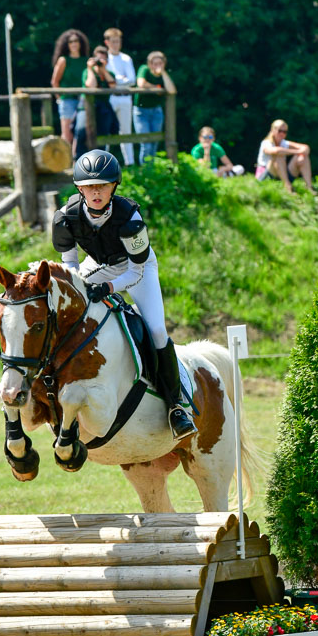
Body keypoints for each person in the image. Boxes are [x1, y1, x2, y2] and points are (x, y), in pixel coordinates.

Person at [52, 149, 195, 440]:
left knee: (155, 329)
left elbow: (135, 271)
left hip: (135, 268)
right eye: (90, 187)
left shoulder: (130, 218)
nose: (96, 192)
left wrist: (108, 288)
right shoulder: (66, 218)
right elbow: (70, 265)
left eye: (102, 186)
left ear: (114, 186)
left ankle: (176, 405)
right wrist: (79, 288)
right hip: (99, 266)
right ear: (80, 188)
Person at [74, 46, 118, 160]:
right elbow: (91, 85)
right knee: (81, 132)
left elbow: (113, 86)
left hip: (104, 107)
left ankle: (99, 164)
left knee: (102, 134)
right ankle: (78, 162)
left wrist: (103, 70)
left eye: (102, 60)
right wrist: (90, 68)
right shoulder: (87, 72)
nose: (99, 62)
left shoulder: (110, 73)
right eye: (97, 59)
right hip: (86, 106)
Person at [133, 51, 176, 165]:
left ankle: (151, 169)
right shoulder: (144, 69)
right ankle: (145, 169)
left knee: (155, 142)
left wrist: (163, 73)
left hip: (156, 111)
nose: (157, 66)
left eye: (160, 63)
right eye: (155, 63)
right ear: (150, 64)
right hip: (141, 112)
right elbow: (141, 83)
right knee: (146, 143)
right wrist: (157, 88)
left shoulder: (163, 75)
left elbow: (171, 90)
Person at [50, 29, 89, 155]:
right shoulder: (64, 60)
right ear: (66, 45)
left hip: (83, 100)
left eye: (76, 41)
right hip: (67, 99)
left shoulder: (86, 60)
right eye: (70, 41)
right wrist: (59, 98)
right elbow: (55, 82)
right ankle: (64, 163)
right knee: (67, 134)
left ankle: (77, 162)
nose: (74, 44)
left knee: (81, 132)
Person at [256, 119, 316, 194]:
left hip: (280, 175)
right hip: (265, 176)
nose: (282, 134)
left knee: (303, 157)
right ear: (273, 130)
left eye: (284, 132)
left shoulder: (284, 143)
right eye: (280, 131)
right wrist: (297, 152)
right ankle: (288, 187)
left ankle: (309, 187)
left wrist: (301, 155)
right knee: (279, 156)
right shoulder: (266, 143)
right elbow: (276, 151)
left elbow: (306, 148)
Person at [104, 28, 136, 166]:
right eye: (114, 41)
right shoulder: (104, 59)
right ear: (107, 42)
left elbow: (133, 80)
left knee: (126, 131)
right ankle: (103, 164)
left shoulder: (126, 58)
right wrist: (120, 79)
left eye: (118, 41)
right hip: (110, 98)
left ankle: (130, 164)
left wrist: (115, 80)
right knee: (106, 131)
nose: (117, 44)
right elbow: (106, 80)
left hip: (125, 98)